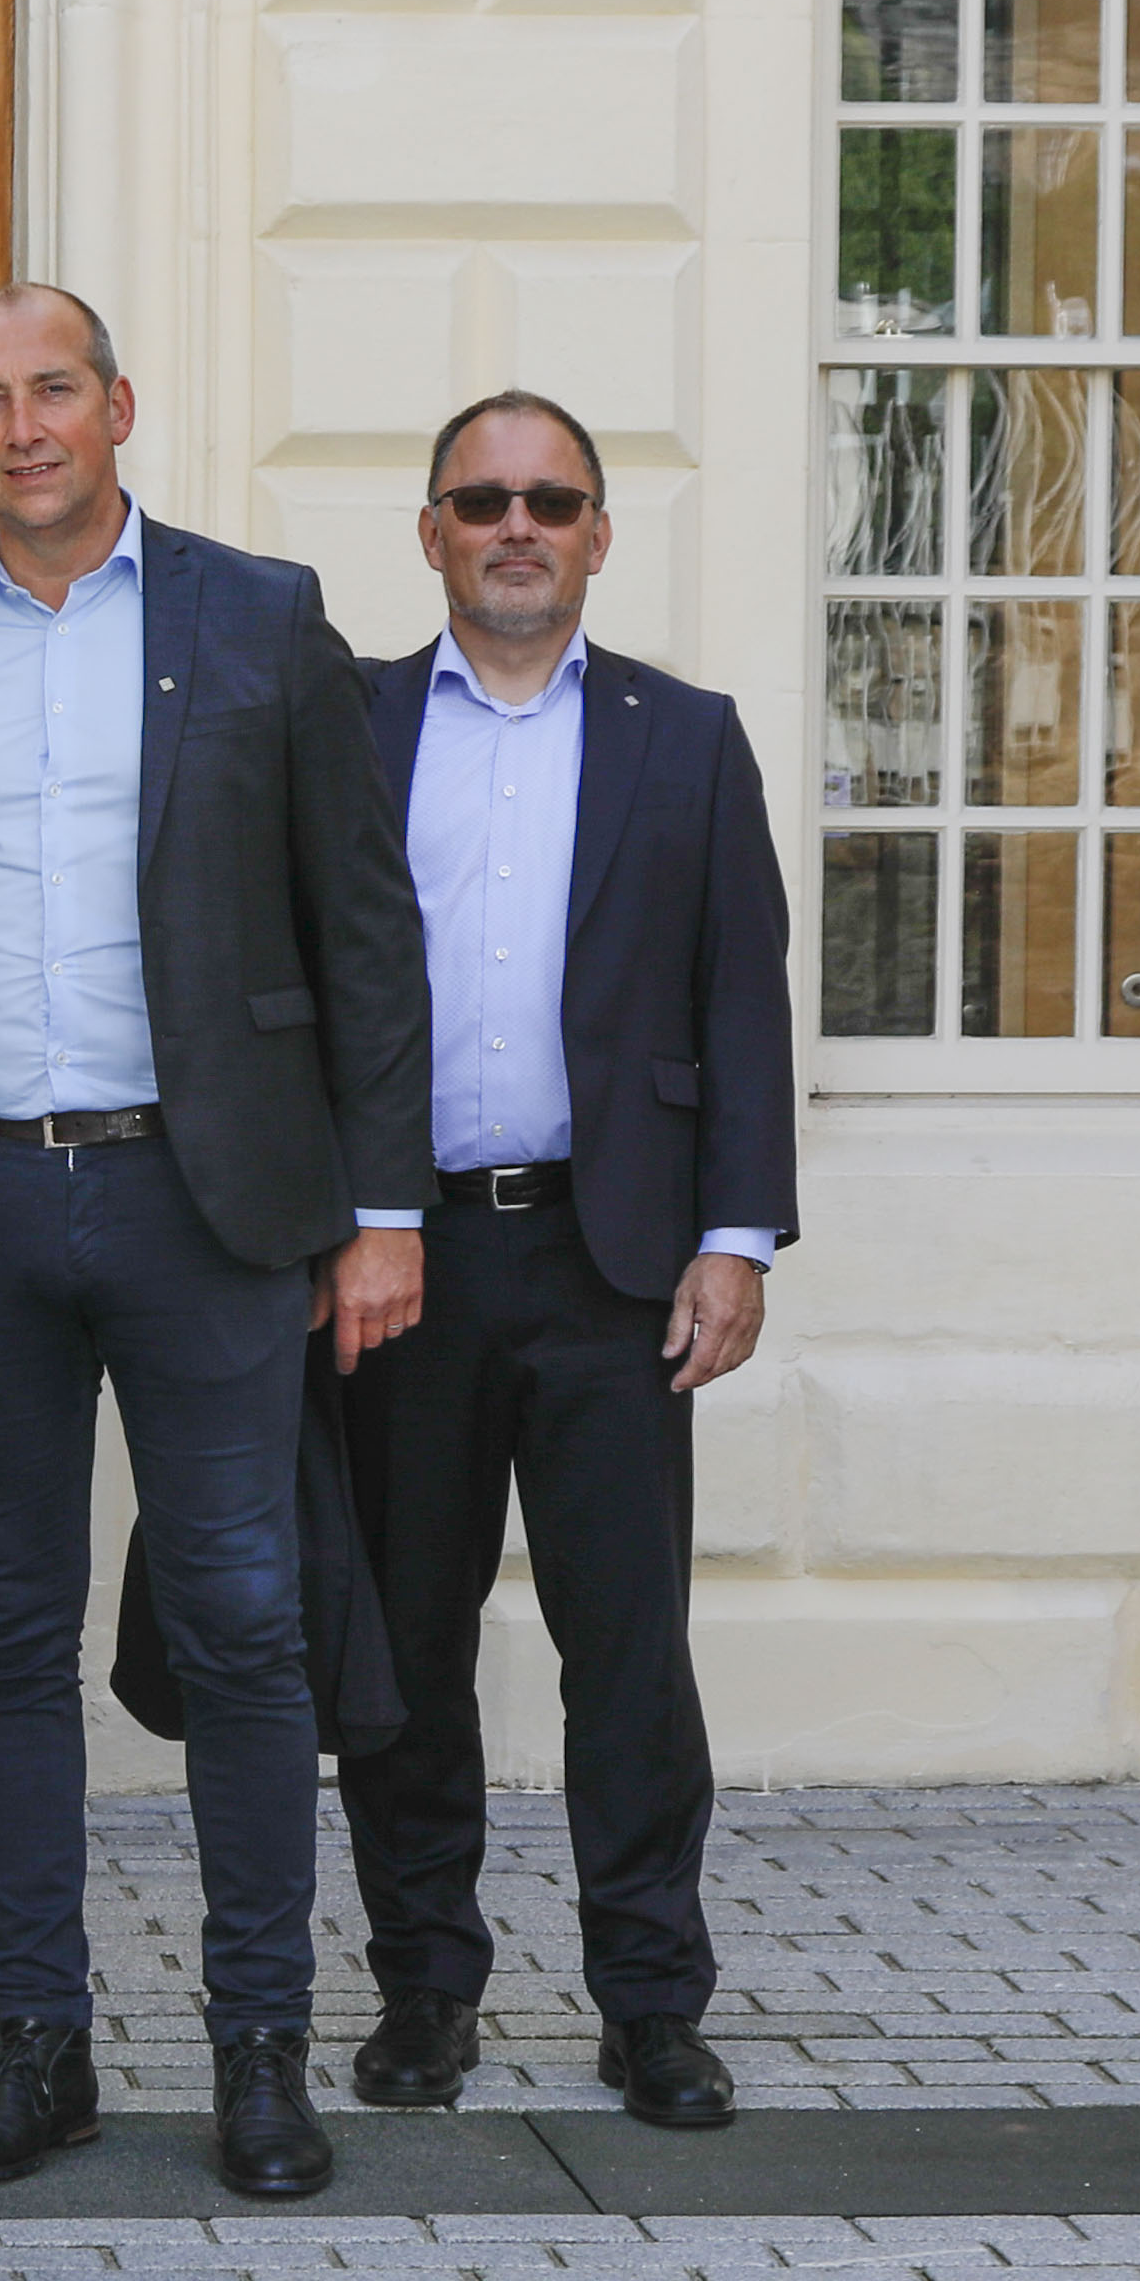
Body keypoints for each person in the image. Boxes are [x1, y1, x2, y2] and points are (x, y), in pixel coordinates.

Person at [0, 284, 428, 2202]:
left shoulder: (255, 614)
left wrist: (381, 1207)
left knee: (244, 1628)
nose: (19, 429)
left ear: (117, 406)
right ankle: (40, 2044)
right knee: (1, 1639)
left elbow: (362, 931)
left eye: (50, 390)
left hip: (206, 1196)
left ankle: (260, 2052)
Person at [334, 391, 795, 2134]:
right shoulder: (351, 726)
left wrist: (733, 1240)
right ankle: (422, 1994)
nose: (513, 525)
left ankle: (651, 2004)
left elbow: (737, 1001)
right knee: (405, 1655)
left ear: (597, 533)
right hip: (399, 1265)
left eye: (550, 500)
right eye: (479, 498)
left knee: (628, 1652)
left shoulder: (686, 739)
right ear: (431, 529)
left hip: (613, 1270)